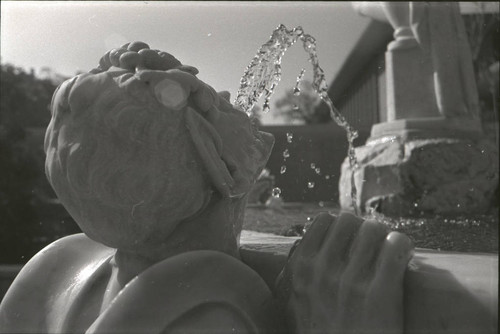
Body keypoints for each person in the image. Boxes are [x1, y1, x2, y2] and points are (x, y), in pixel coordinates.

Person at [0, 42, 415, 334]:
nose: (225, 95)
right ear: (219, 168)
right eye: (206, 100)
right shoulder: (211, 314)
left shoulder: (58, 265)